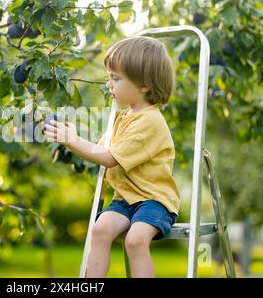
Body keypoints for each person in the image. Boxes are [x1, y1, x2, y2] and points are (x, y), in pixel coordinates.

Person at [42, 36, 180, 278]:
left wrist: (71, 139)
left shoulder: (150, 122)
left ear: (144, 85)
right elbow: (99, 150)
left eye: (115, 78)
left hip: (154, 199)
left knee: (135, 240)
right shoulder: (122, 116)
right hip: (126, 198)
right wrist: (69, 136)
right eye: (109, 77)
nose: (109, 84)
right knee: (100, 230)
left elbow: (109, 158)